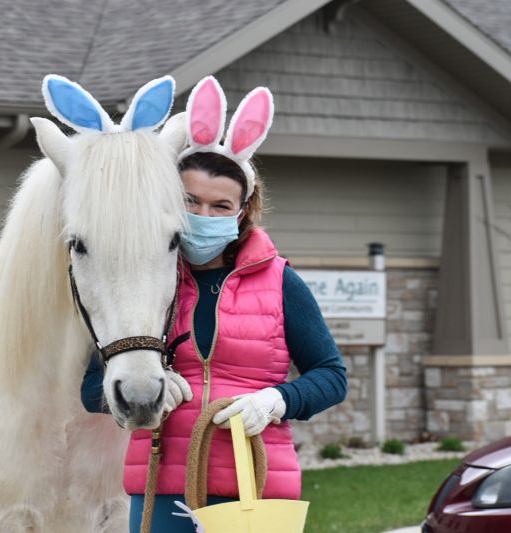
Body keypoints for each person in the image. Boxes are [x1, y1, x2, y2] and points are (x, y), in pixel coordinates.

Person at [80, 77, 348, 532]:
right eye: (190, 201)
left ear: (243, 210)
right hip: (162, 481)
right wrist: (154, 386)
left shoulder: (281, 283)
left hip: (257, 485)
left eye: (220, 205)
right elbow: (91, 388)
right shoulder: (145, 280)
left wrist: (276, 400)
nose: (203, 217)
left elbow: (332, 376)